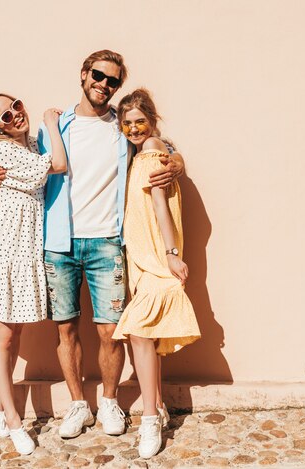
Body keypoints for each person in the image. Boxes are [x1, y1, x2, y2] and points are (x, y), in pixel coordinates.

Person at [0, 50, 185, 439]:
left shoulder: (121, 129)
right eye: (98, 75)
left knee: (110, 332)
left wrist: (176, 161)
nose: (104, 85)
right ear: (83, 74)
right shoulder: (54, 129)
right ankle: (78, 404)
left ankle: (108, 402)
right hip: (59, 245)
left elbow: (156, 145)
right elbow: (19, 158)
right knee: (66, 331)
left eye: (112, 80)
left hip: (108, 241)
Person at [0, 94, 67, 455]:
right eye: (5, 117)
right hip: (8, 248)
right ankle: (13, 420)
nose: (15, 117)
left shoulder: (25, 144)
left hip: (27, 246)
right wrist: (51, 122)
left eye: (17, 107)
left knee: (16, 333)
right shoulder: (5, 152)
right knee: (3, 336)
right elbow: (57, 163)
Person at [112, 88, 200, 458]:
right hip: (140, 257)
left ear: (152, 120)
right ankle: (158, 406)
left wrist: (171, 254)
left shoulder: (150, 153)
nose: (133, 128)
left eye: (139, 121)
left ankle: (150, 419)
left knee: (140, 331)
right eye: (127, 123)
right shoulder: (142, 152)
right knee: (146, 336)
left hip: (154, 255)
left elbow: (161, 206)